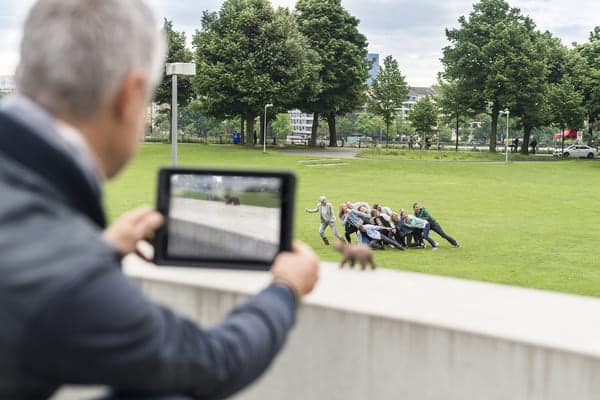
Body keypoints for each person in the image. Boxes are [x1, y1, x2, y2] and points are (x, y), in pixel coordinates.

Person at [0, 1, 320, 398]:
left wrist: (99, 252)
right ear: (130, 96)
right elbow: (212, 363)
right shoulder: (66, 271)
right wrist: (286, 289)